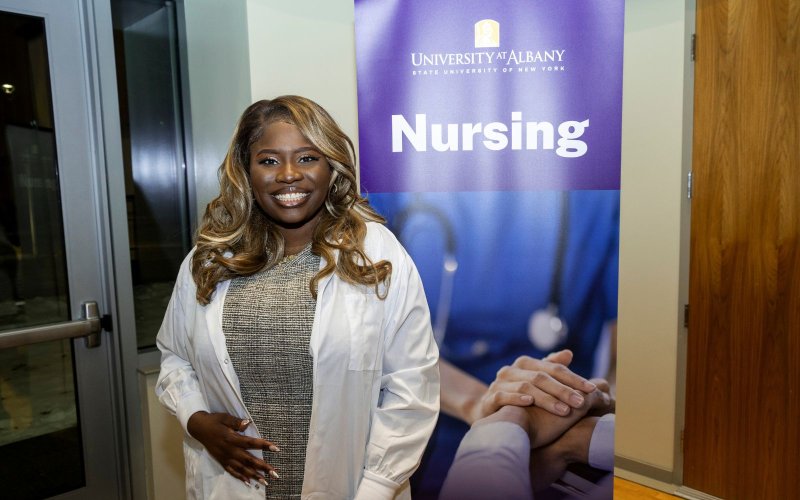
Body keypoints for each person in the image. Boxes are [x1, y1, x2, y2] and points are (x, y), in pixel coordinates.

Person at [155, 96, 439, 500]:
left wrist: (377, 487)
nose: (289, 175)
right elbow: (174, 355)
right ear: (246, 170)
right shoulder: (212, 257)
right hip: (230, 485)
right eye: (269, 160)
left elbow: (412, 384)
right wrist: (194, 418)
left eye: (307, 158)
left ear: (331, 167)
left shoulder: (375, 253)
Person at [367, 190, 619, 496]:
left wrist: (593, 404)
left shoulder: (602, 188)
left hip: (562, 425)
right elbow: (370, 333)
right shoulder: (386, 177)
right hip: (422, 430)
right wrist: (491, 406)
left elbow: (638, 346)